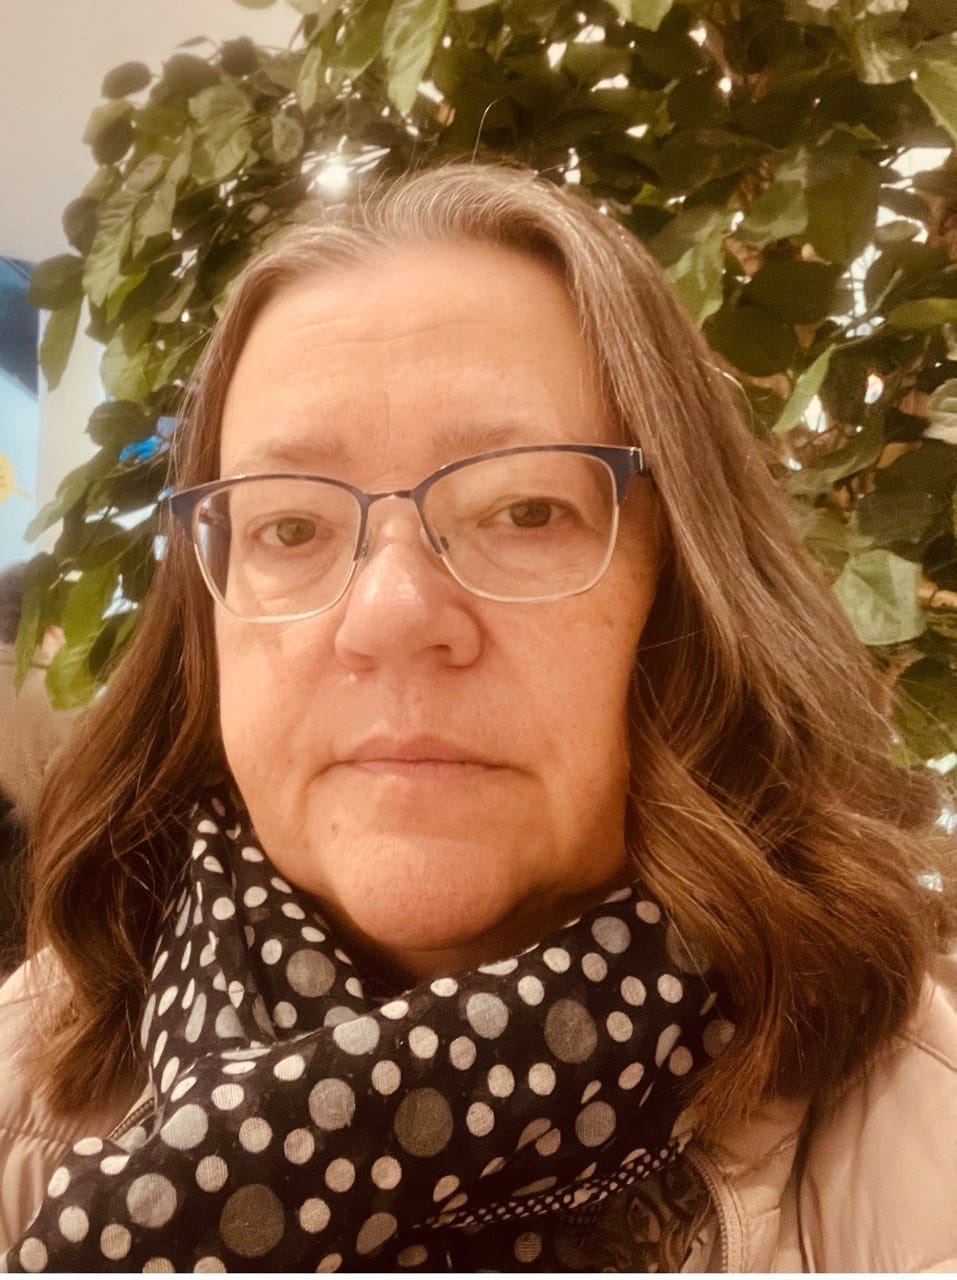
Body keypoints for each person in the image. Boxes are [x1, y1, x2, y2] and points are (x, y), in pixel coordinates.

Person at [0, 161, 954, 1273]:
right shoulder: (26, 1075)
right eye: (290, 528)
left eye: (525, 510)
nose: (391, 615)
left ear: (689, 592)